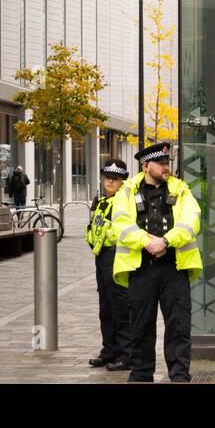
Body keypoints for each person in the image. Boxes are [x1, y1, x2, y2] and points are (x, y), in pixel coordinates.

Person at [110, 141, 202, 383]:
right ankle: (141, 375)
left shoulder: (181, 189)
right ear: (146, 165)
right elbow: (120, 223)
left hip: (174, 268)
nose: (166, 167)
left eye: (167, 162)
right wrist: (147, 241)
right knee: (140, 326)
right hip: (141, 269)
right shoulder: (127, 191)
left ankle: (180, 376)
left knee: (179, 326)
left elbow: (191, 221)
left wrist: (166, 241)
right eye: (161, 163)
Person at [86, 159, 131, 371]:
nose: (110, 181)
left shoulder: (125, 201)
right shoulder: (100, 200)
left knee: (120, 307)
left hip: (117, 255)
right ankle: (109, 350)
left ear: (123, 180)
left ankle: (126, 354)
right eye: (107, 177)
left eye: (115, 178)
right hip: (101, 257)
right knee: (105, 307)